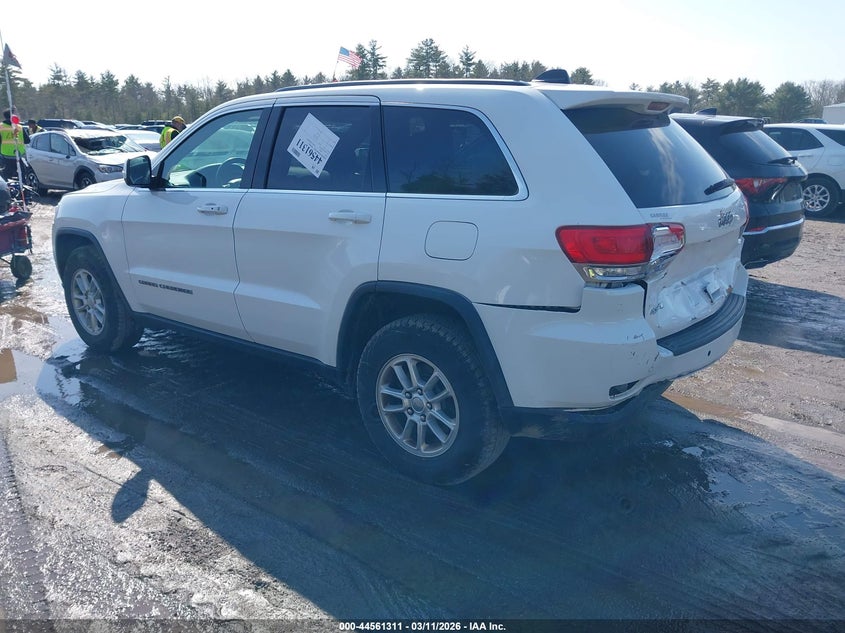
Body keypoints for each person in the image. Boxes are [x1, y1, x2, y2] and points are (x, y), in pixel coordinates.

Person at [0, 109, 28, 181]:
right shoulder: (19, 127)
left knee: (6, 174)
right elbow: (27, 140)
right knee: (22, 175)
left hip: (6, 154)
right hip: (18, 155)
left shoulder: (1, 127)